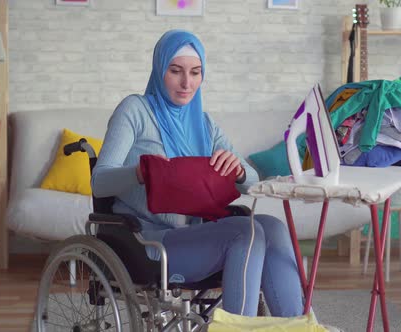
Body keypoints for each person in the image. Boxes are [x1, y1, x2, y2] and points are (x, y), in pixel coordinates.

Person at [91, 29, 304, 317]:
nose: (186, 83)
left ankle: (296, 325)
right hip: (148, 243)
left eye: (195, 72)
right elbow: (99, 181)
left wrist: (239, 171)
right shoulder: (135, 111)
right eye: (175, 71)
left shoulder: (205, 124)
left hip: (197, 234)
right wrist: (138, 172)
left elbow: (252, 183)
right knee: (247, 231)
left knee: (273, 227)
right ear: (159, 69)